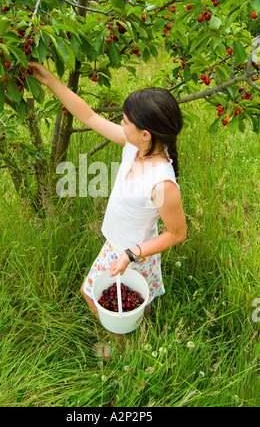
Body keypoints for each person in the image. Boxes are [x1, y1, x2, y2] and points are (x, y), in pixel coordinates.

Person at [27, 62, 187, 357]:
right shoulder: (134, 146)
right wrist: (51, 82)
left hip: (130, 252)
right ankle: (140, 321)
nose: (121, 124)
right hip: (122, 247)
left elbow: (177, 234)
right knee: (138, 296)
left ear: (147, 134)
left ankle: (123, 345)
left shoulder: (161, 184)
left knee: (91, 293)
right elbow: (88, 115)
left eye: (126, 121)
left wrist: (130, 254)